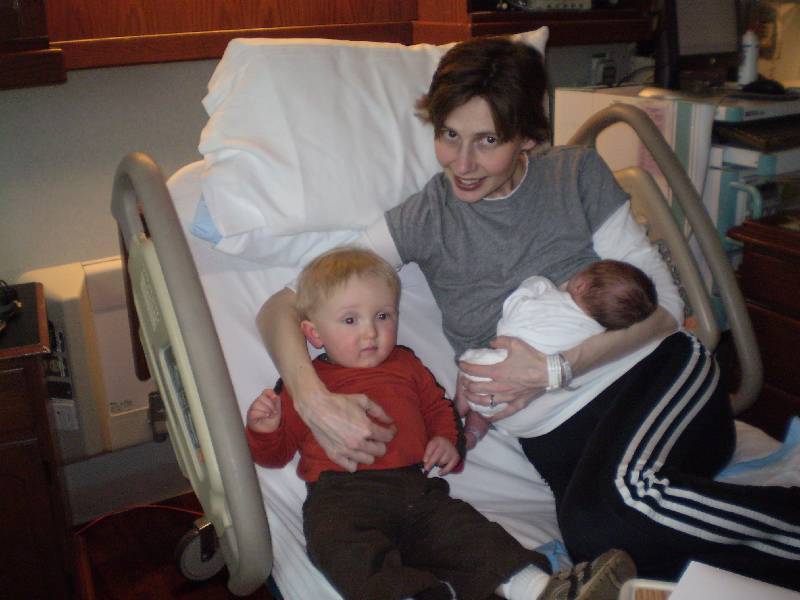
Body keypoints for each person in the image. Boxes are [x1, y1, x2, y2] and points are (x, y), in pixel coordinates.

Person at [258, 37, 800, 589]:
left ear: (526, 137)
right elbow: (282, 305)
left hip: (654, 380)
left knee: (622, 505)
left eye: (488, 140)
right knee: (596, 535)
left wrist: (555, 369)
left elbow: (666, 305)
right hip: (565, 443)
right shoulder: (426, 217)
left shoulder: (574, 174)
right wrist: (312, 398)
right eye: (449, 135)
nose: (462, 164)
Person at [246, 247, 635, 600]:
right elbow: (275, 454)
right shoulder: (306, 385)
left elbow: (439, 409)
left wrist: (448, 441)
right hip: (341, 497)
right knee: (341, 549)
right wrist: (264, 430)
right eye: (350, 320)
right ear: (313, 333)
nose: (370, 332)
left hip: (416, 492)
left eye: (383, 316)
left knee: (468, 534)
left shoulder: (406, 364)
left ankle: (544, 590)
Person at [459, 259, 658, 448]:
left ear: (580, 285)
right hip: (513, 410)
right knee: (484, 403)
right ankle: (474, 432)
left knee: (469, 362)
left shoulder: (550, 299)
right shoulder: (596, 335)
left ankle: (459, 407)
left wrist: (536, 283)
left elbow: (513, 310)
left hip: (490, 374)